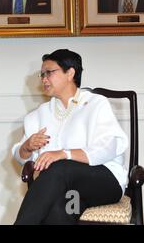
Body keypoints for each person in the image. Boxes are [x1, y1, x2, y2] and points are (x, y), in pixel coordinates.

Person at [11, 49, 129, 224]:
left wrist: (64, 154)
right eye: (41, 74)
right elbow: (19, 156)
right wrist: (26, 147)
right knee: (59, 209)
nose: (43, 79)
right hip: (69, 193)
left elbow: (110, 146)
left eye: (49, 72)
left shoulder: (96, 104)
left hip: (103, 182)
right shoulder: (37, 116)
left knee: (60, 167)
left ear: (70, 73)